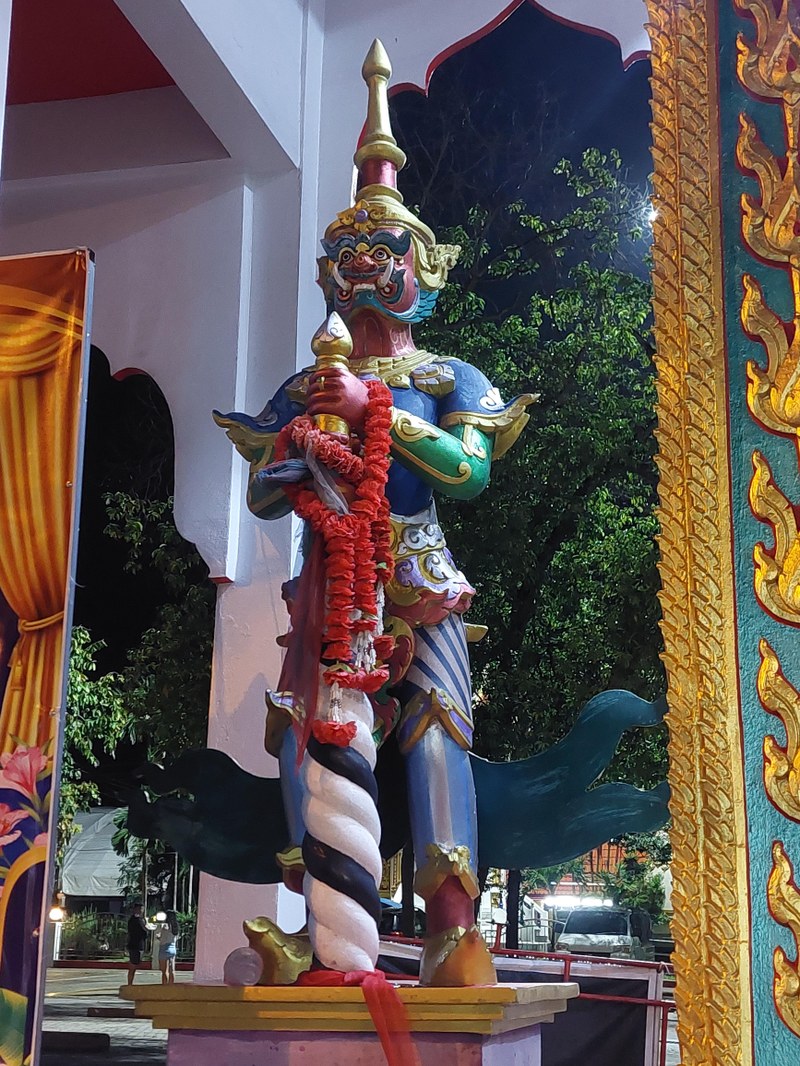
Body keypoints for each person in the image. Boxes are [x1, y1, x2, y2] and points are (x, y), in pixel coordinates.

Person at [215, 41, 532, 986]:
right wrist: (300, 446)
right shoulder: (307, 382)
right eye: (346, 254)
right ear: (326, 273)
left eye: (382, 252)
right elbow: (261, 491)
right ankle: (322, 934)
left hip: (419, 574)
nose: (362, 267)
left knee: (435, 733)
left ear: (423, 269)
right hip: (327, 581)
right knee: (310, 737)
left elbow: (469, 473)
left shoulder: (448, 376)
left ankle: (450, 927)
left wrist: (374, 413)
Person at [125, 903, 149, 985]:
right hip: (135, 945)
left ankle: (130, 983)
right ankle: (130, 984)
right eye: (140, 909)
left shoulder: (136, 919)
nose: (142, 911)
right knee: (133, 966)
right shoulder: (137, 920)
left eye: (142, 909)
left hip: (136, 945)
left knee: (134, 965)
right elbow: (144, 932)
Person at [153, 910, 179, 985]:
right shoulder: (175, 927)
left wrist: (158, 937)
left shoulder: (164, 926)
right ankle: (171, 985)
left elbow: (161, 938)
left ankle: (164, 986)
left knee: (164, 971)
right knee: (172, 970)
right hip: (173, 948)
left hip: (164, 948)